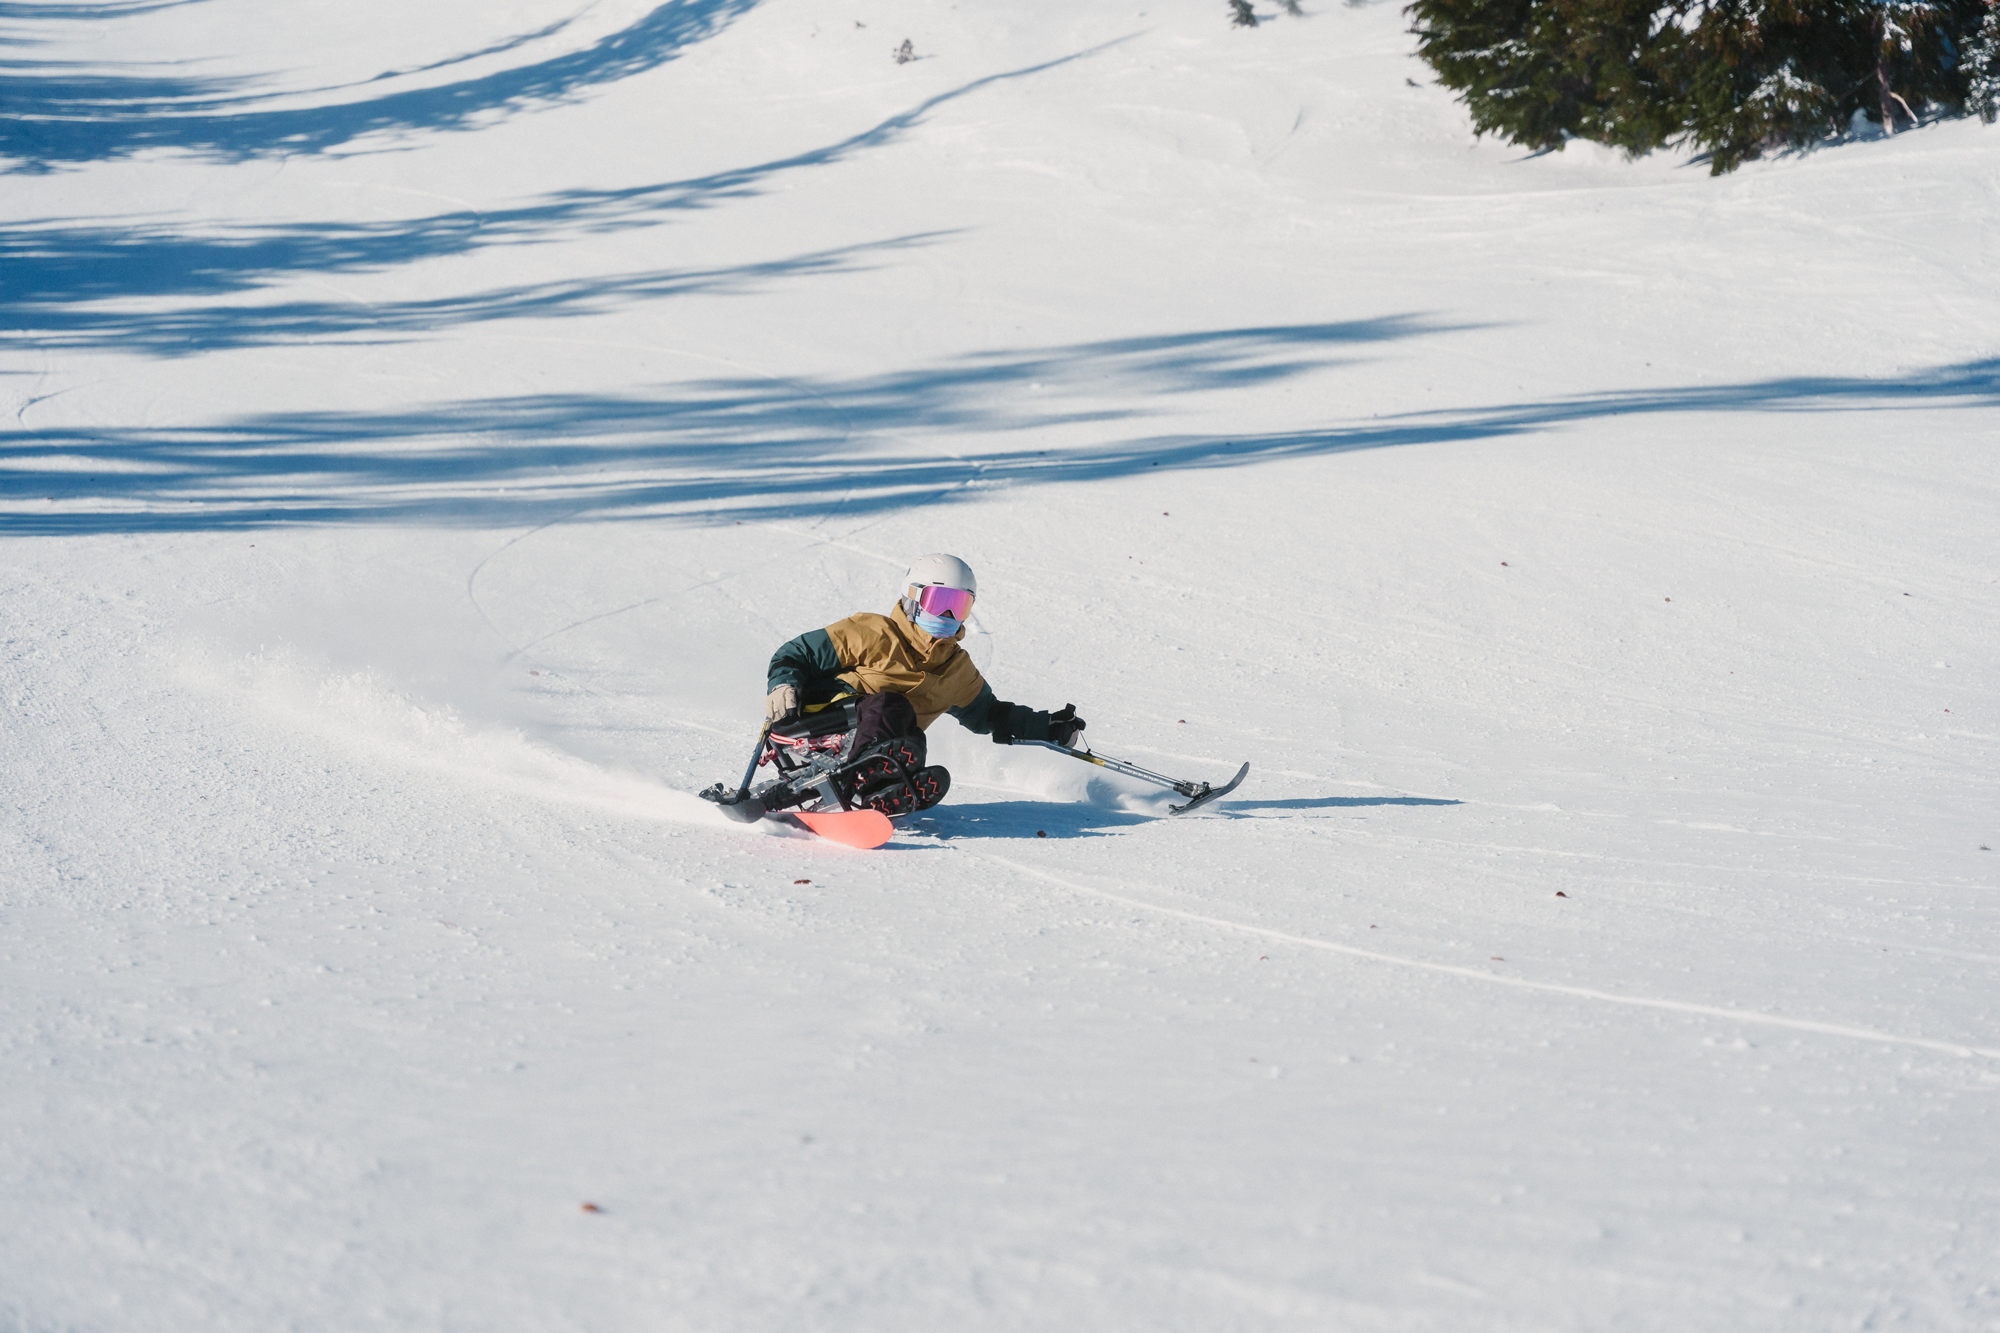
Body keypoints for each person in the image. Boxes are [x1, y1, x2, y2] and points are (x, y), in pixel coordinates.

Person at [759, 553, 1085, 815]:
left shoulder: (957, 669)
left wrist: (1047, 727)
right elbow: (798, 652)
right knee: (892, 707)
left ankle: (884, 793)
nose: (946, 613)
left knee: (913, 739)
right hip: (812, 727)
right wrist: (782, 685)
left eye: (958, 605)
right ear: (913, 598)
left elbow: (989, 714)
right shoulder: (872, 632)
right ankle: (864, 776)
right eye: (938, 600)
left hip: (868, 744)